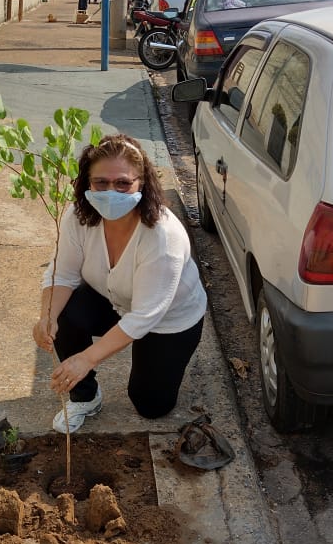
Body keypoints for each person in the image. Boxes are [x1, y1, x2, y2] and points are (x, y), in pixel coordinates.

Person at [33, 134, 207, 434]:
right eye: (101, 182)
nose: (111, 191)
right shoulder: (79, 217)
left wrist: (86, 359)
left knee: (151, 405)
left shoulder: (163, 237)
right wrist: (46, 317)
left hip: (165, 320)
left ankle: (164, 359)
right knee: (64, 313)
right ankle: (85, 397)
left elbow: (144, 316)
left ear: (142, 183)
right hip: (114, 299)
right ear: (87, 183)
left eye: (123, 183)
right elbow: (62, 274)